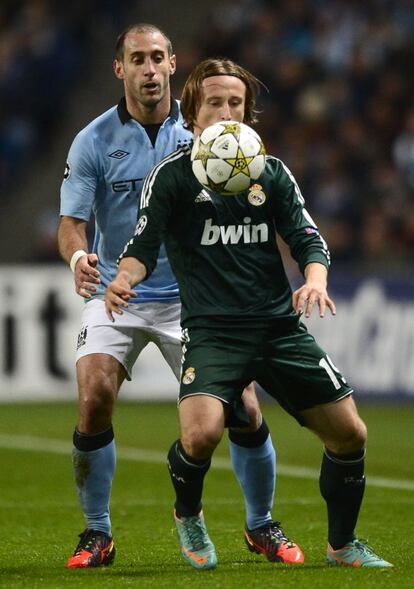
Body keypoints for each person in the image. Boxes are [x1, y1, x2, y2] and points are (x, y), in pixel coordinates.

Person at [105, 57, 393, 570]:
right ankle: (188, 513)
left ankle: (342, 544)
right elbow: (142, 246)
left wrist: (315, 280)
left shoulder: (272, 172)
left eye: (235, 103)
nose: (226, 111)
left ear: (248, 114)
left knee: (351, 434)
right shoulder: (170, 178)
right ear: (192, 112)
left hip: (278, 328)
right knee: (201, 435)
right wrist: (123, 280)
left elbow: (307, 238)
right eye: (214, 102)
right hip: (213, 333)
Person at [58, 25, 298, 570]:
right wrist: (79, 259)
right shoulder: (93, 141)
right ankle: (97, 534)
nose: (148, 68)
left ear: (172, 66)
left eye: (157, 58)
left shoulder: (207, 140)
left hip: (194, 295)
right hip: (119, 287)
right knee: (94, 395)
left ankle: (261, 524)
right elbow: (71, 223)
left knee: (243, 408)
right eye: (136, 59)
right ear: (119, 69)